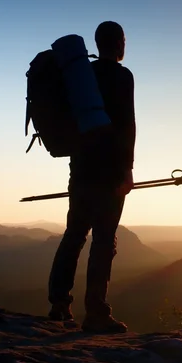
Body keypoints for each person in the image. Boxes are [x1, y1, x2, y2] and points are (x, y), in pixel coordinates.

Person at [47, 21, 136, 333]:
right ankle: (96, 313)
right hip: (110, 174)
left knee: (74, 235)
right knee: (102, 242)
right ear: (119, 43)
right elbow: (127, 125)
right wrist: (127, 169)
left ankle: (59, 304)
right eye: (123, 40)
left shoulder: (82, 76)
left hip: (80, 170)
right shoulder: (122, 76)